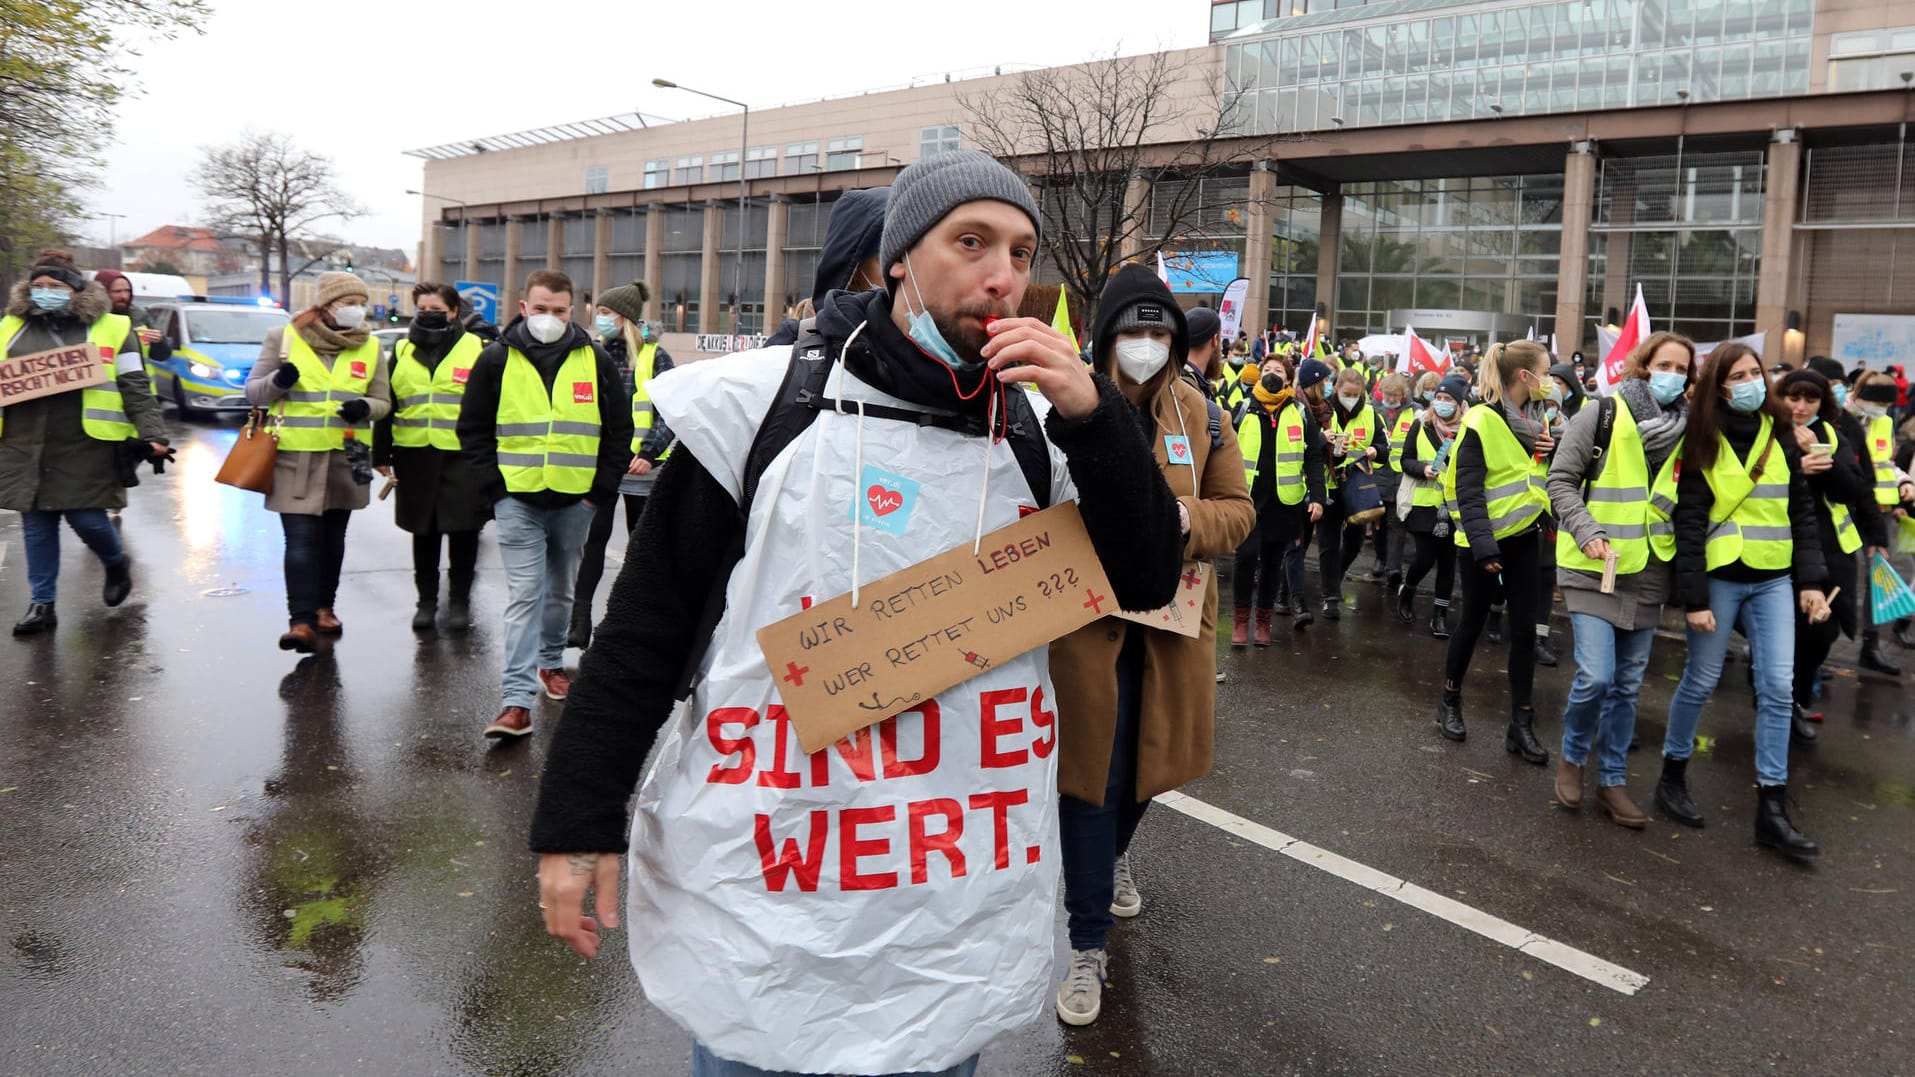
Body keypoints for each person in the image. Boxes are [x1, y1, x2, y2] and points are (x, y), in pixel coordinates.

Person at [527, 150, 1182, 1077]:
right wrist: (577, 817)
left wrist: (1091, 414)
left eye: (1020, 249)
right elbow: (646, 629)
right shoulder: (765, 407)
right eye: (971, 241)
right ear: (899, 258)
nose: (1002, 272)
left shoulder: (1036, 431)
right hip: (773, 890)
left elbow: (1148, 570)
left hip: (941, 905)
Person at [1050, 265, 1253, 1026]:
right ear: (1104, 337)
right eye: (1131, 331)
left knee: (1150, 766)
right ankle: (1085, 941)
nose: (1144, 346)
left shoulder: (1200, 413)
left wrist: (1176, 519)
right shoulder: (1056, 405)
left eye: (1157, 332)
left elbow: (1236, 511)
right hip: (1082, 624)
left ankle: (1113, 856)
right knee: (1091, 778)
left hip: (1168, 624)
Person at [1651, 342, 1829, 860]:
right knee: (1701, 681)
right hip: (1719, 580)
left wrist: (1811, 581)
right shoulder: (1702, 436)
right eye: (1740, 375)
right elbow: (1688, 523)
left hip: (1774, 579)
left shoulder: (1781, 436)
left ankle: (1771, 809)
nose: (1753, 381)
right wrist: (1694, 599)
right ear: (1719, 385)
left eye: (1757, 372)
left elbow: (1802, 513)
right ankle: (1672, 776)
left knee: (1778, 686)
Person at [457, 269, 632, 738]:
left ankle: (552, 665)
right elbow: (471, 429)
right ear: (523, 308)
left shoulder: (593, 360)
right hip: (517, 500)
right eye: (540, 309)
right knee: (526, 595)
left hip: (577, 500)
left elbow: (617, 431)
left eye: (558, 311)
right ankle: (515, 702)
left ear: (572, 311)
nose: (549, 318)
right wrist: (495, 489)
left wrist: (599, 491)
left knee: (560, 593)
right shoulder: (496, 358)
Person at [1545, 332, 1693, 827]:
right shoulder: (1603, 413)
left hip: (1650, 573)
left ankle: (1611, 781)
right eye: (1665, 364)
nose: (1674, 374)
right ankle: (1572, 758)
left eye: (1683, 368)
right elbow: (1560, 480)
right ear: (1643, 366)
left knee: (1627, 687)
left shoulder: (1690, 431)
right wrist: (1587, 532)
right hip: (1593, 568)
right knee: (1597, 676)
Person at [2, 250, 168, 635]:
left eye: (55, 286)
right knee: (37, 522)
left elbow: (135, 385)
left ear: (75, 289)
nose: (45, 292)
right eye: (38, 286)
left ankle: (115, 562)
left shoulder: (113, 327)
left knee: (86, 517)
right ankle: (42, 604)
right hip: (26, 440)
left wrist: (153, 432)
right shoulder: (11, 325)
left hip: (85, 440)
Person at [245, 271, 390, 653]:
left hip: (350, 453)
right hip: (295, 452)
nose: (357, 311)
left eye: (361, 303)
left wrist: (365, 407)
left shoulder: (371, 347)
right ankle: (301, 622)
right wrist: (280, 381)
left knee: (332, 539)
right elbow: (253, 392)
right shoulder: (284, 338)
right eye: (348, 303)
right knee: (301, 539)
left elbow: (383, 402)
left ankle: (325, 608)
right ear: (325, 305)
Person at [1435, 340, 1556, 760]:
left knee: (1523, 632)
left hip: (1525, 538)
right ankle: (1449, 700)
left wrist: (1546, 454)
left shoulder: (1535, 420)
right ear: (1525, 376)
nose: (1550, 380)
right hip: (1481, 545)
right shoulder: (1481, 421)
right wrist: (1486, 549)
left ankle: (1521, 724)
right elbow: (1467, 491)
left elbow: (1527, 478)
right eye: (1546, 370)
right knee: (1471, 622)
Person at [373, 281, 489, 632]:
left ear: (454, 312)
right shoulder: (403, 349)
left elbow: (489, 407)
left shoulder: (477, 348)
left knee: (464, 532)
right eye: (423, 310)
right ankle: (425, 603)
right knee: (423, 532)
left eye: (436, 311)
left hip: (463, 457)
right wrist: (380, 452)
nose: (429, 316)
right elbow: (389, 403)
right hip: (414, 455)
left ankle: (459, 604)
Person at [1777, 367, 1886, 734]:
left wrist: (1877, 537)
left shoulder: (1834, 435)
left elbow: (1855, 488)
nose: (1802, 407)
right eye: (1794, 398)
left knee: (1824, 632)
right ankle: (1779, 705)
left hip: (1833, 551)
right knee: (1791, 632)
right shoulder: (1770, 433)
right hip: (1783, 548)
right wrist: (1798, 467)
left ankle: (1798, 700)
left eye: (1811, 399)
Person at [569, 282, 673, 649]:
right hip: (603, 468)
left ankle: (628, 623)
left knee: (641, 550)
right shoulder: (591, 355)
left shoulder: (655, 357)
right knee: (591, 544)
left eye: (606, 312)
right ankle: (579, 622)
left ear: (625, 319)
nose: (599, 319)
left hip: (643, 473)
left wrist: (648, 453)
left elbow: (671, 412)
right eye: (598, 312)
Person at [1232, 354, 1328, 641]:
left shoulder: (1299, 411)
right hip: (1247, 497)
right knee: (1246, 556)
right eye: (1267, 369)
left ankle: (1263, 623)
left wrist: (1318, 497)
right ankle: (1239, 622)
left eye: (1278, 370)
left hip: (1284, 501)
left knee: (1273, 562)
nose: (1272, 374)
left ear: (1288, 379)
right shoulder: (1243, 408)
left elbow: (1313, 456)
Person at [1847, 371, 1913, 675]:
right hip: (1846, 508)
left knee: (1879, 576)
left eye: (1886, 404)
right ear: (1859, 395)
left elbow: (1887, 465)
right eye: (1875, 402)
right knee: (1837, 576)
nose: (1881, 409)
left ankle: (1870, 647)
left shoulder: (1885, 422)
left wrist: (1902, 485)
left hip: (1880, 509)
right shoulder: (1841, 418)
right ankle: (1816, 643)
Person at [1396, 373, 1468, 638]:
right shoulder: (1422, 425)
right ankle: (1409, 589)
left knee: (1448, 562)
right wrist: (1423, 468)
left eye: (1448, 399)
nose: (1441, 403)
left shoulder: (1470, 430)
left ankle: (1439, 615)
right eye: (1438, 398)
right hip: (1423, 504)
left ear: (1460, 404)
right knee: (1425, 557)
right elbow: (1405, 460)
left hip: (1453, 507)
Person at [1314, 366, 1388, 618]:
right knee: (1328, 544)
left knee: (1355, 543)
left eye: (1355, 394)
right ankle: (1330, 597)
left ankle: (1336, 574)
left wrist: (1376, 451)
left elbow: (1384, 448)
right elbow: (1312, 446)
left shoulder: (1371, 414)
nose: (1351, 398)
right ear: (1337, 389)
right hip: (1330, 487)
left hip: (1357, 487)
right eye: (1346, 393)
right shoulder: (1324, 411)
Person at [1370, 372, 1414, 591]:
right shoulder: (1372, 410)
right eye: (1388, 394)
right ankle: (1380, 557)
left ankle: (1393, 568)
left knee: (1397, 521)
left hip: (1402, 476)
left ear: (1403, 394)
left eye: (1396, 395)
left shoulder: (1413, 412)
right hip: (1378, 473)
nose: (1391, 398)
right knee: (1379, 521)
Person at [92, 269, 171, 362]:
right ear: (102, 293)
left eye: (127, 291)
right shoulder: (91, 318)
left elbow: (161, 356)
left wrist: (159, 342)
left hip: (140, 376)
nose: (124, 296)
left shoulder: (139, 317)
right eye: (117, 292)